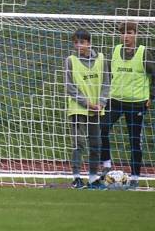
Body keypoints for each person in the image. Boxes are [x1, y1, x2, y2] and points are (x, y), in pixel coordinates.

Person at [100, 21, 155, 189]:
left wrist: (151, 96)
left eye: (129, 32)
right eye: (123, 33)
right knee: (101, 128)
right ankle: (107, 166)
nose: (126, 36)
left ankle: (135, 177)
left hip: (136, 104)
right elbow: (109, 74)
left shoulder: (144, 53)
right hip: (115, 101)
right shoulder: (116, 51)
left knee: (134, 140)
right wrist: (104, 96)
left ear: (135, 34)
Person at [64, 29, 109, 189]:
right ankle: (76, 177)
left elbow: (106, 83)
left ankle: (92, 177)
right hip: (78, 109)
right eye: (75, 42)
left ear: (89, 43)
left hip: (97, 110)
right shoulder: (70, 60)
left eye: (81, 42)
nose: (78, 46)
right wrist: (88, 104)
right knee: (79, 143)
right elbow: (70, 87)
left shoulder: (102, 59)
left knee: (96, 143)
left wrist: (101, 103)